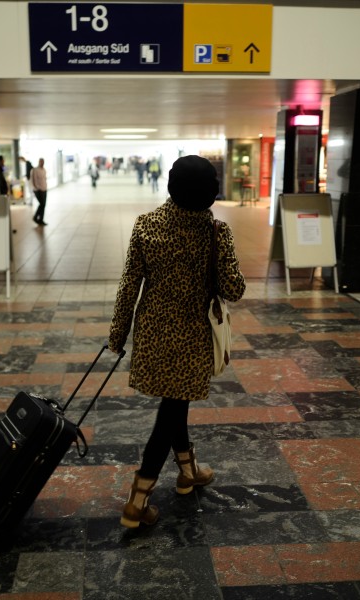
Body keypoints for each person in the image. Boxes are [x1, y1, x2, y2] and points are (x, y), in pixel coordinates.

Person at [108, 155, 246, 529]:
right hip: (191, 340)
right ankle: (137, 500)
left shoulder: (146, 225)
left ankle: (189, 472)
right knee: (170, 414)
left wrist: (118, 336)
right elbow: (234, 289)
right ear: (210, 194)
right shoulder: (216, 233)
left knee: (175, 403)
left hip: (152, 335)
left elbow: (128, 287)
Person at [31, 157, 48, 226]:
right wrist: (37, 188)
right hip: (38, 190)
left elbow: (44, 179)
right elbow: (34, 180)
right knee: (42, 204)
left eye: (43, 161)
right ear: (39, 162)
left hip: (44, 189)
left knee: (43, 205)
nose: (42, 163)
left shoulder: (44, 170)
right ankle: (35, 217)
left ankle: (41, 219)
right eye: (41, 161)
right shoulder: (35, 170)